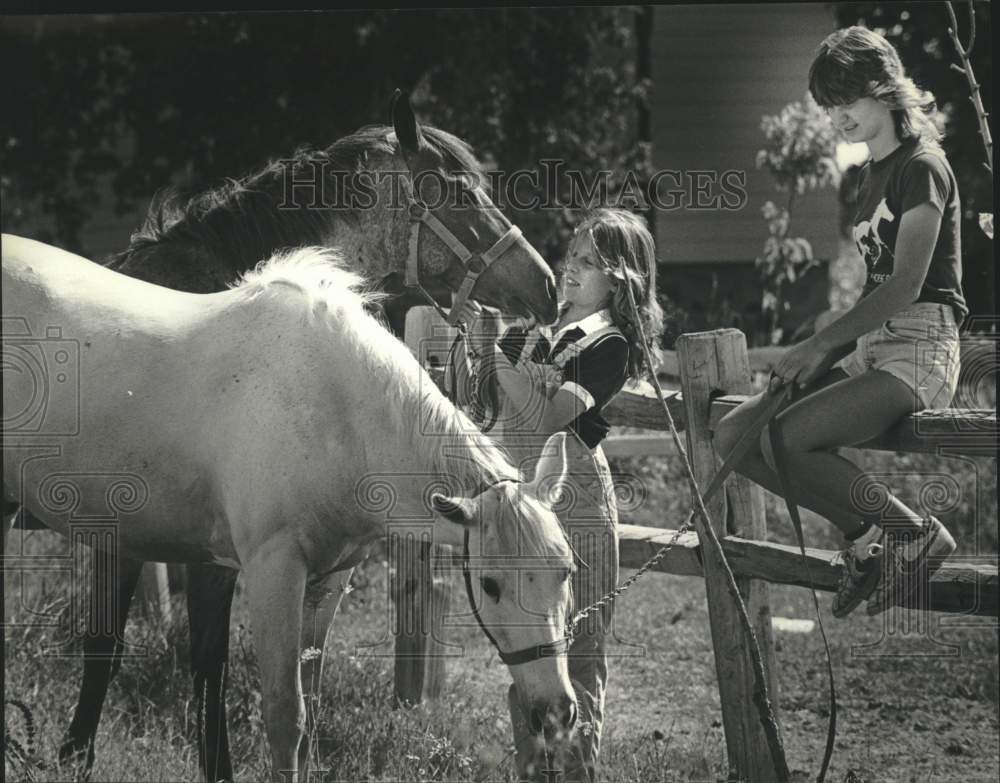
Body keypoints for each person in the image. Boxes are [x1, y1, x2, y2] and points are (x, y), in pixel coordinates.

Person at [714, 25, 965, 619]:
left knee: (792, 438)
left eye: (847, 101)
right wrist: (828, 350)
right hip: (871, 345)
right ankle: (869, 538)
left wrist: (823, 340)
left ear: (884, 88)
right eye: (830, 108)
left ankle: (912, 532)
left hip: (919, 347)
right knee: (735, 435)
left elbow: (905, 283)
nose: (838, 118)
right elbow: (874, 290)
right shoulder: (868, 176)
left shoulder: (922, 166)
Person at [454, 208, 663, 782]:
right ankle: (534, 775)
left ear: (622, 280)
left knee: (582, 653)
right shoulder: (540, 331)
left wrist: (500, 355)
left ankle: (575, 775)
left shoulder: (609, 347)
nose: (571, 270)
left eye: (591, 263)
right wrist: (480, 349)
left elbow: (550, 420)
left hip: (575, 501)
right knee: (531, 652)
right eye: (572, 257)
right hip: (522, 494)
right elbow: (487, 406)